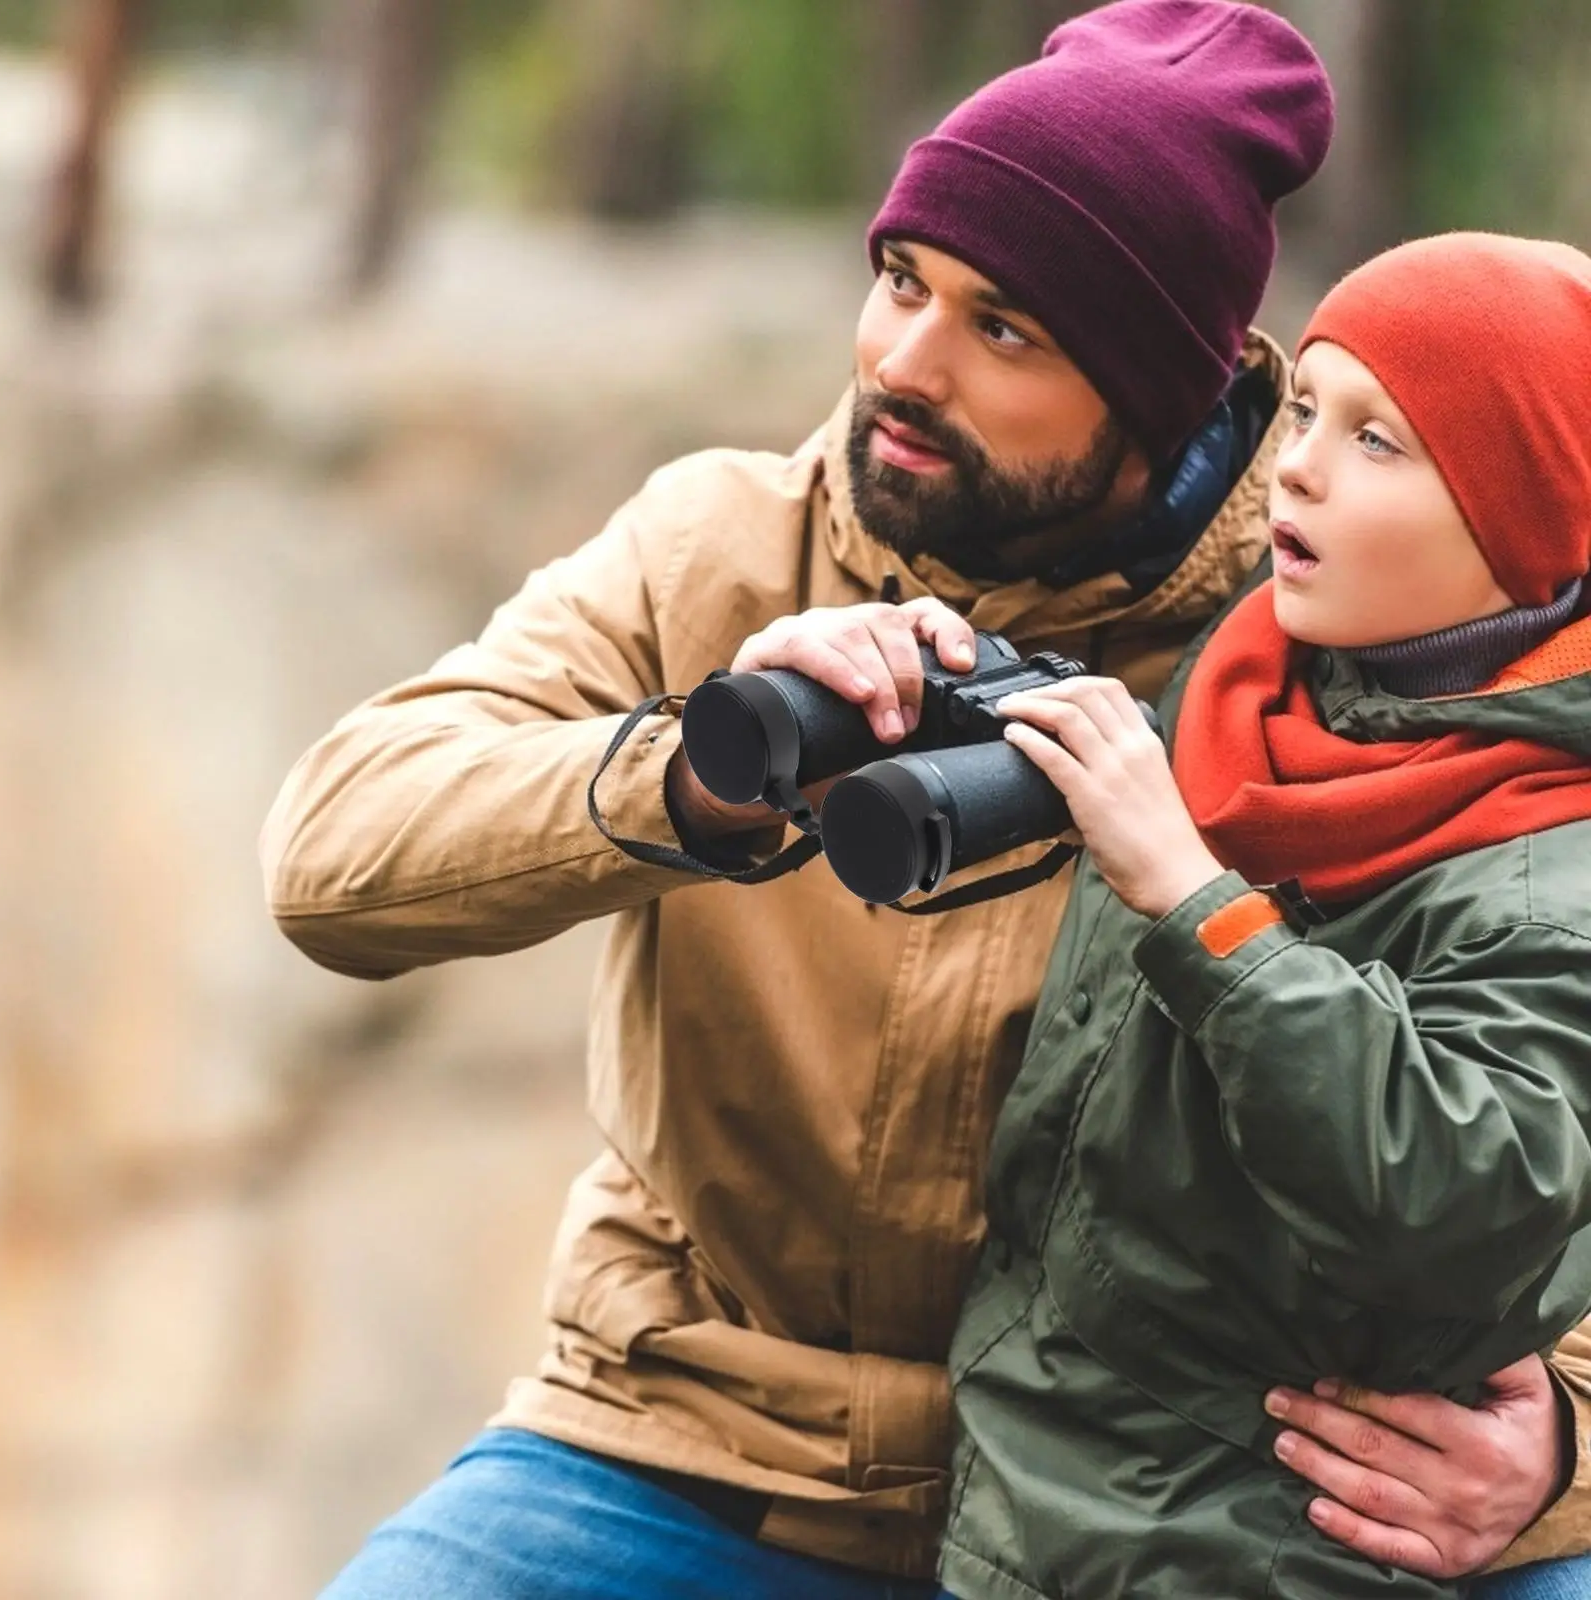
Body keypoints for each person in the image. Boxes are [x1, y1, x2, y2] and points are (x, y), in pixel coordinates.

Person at [259, 5, 1589, 1596]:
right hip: (703, 1449)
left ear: (1159, 399)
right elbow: (333, 858)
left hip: (1202, 1486)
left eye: (1005, 329)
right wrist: (692, 769)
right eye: (901, 281)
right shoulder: (722, 552)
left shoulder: (1343, 635)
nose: (903, 360)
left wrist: (1567, 1446)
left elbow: (1513, 1080)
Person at [944, 233, 1591, 1600]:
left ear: (1523, 512)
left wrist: (1200, 908)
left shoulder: (1555, 865)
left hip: (1269, 1550)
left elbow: (1466, 1204)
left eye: (1381, 442)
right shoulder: (1246, 687)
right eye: (1306, 411)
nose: (1295, 463)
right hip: (1022, 1511)